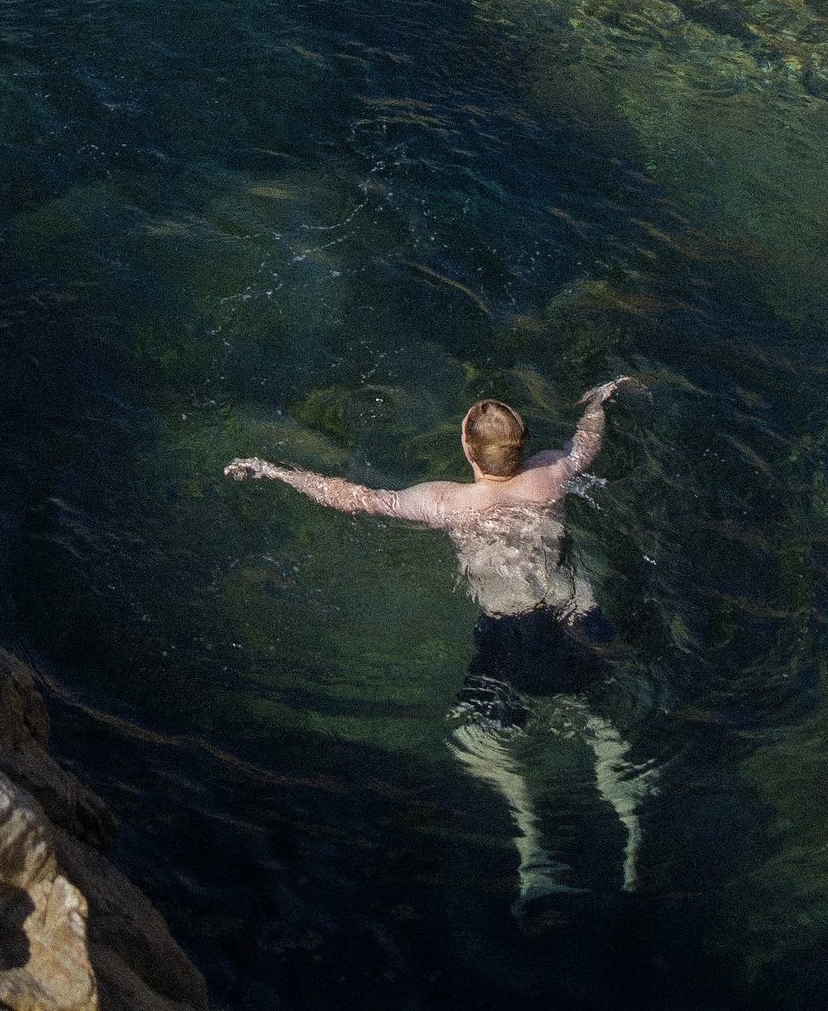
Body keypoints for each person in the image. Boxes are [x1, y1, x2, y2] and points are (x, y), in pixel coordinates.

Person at [226, 383, 653, 900]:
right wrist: (598, 403)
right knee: (599, 720)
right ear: (522, 446)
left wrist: (277, 471)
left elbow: (355, 499)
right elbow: (586, 444)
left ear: (467, 449)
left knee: (478, 740)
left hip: (511, 630)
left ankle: (532, 843)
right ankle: (630, 830)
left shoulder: (448, 502)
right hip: (581, 618)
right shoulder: (550, 474)